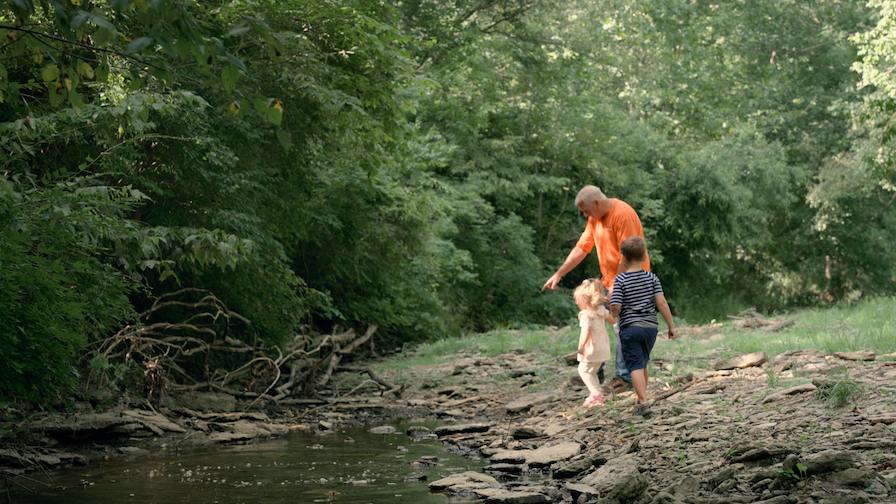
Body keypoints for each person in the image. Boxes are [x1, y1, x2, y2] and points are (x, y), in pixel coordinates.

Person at [542, 185, 650, 391]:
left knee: (624, 329)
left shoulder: (623, 215)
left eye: (585, 210)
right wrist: (559, 273)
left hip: (631, 280)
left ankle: (625, 379)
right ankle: (593, 370)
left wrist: (617, 287)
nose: (584, 214)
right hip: (610, 280)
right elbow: (582, 248)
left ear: (597, 203)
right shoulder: (595, 218)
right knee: (595, 320)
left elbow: (627, 256)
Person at [609, 236, 675, 416]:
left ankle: (644, 402)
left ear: (623, 257)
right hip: (650, 328)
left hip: (631, 328)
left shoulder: (620, 280)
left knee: (634, 365)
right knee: (642, 362)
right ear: (645, 256)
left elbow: (616, 306)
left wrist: (613, 311)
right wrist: (671, 325)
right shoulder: (652, 277)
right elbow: (661, 303)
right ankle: (641, 397)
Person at [572, 279, 612, 408]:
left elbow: (586, 331)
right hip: (603, 348)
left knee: (583, 370)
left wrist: (581, 347)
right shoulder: (601, 310)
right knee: (592, 371)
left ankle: (595, 394)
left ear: (583, 300)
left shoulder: (586, 315)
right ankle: (597, 394)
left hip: (591, 349)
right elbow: (613, 320)